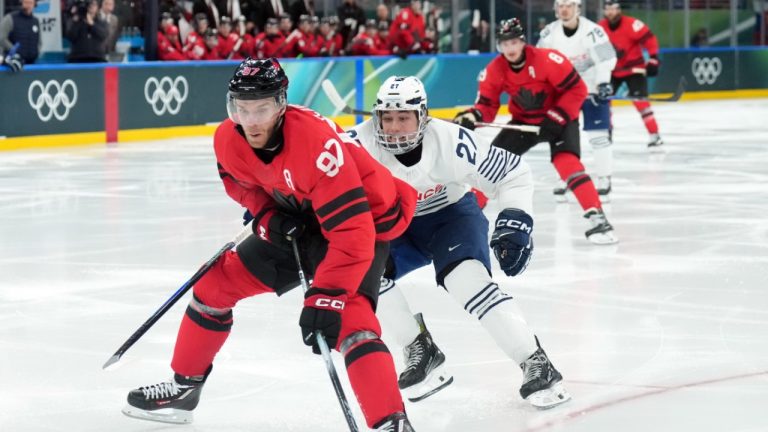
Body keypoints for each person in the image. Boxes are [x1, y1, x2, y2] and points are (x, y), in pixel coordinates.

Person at [121, 58, 418, 432]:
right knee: (215, 283)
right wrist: (266, 217)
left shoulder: (316, 146)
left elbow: (352, 234)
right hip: (300, 217)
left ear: (281, 105)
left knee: (351, 319)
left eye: (261, 109)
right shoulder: (228, 138)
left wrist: (326, 297)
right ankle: (184, 387)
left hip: (364, 221)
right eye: (242, 109)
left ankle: (391, 422)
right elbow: (241, 184)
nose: (251, 120)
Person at [347, 75, 572, 409]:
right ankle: (418, 347)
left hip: (449, 218)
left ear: (423, 116)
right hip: (393, 224)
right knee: (361, 275)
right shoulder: (355, 144)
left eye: (403, 117)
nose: (393, 128)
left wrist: (516, 220)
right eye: (387, 118)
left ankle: (534, 360)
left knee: (467, 281)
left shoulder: (451, 141)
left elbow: (513, 172)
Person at [453, 18, 618, 245]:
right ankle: (464, 221)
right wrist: (474, 116)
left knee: (567, 163)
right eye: (505, 44)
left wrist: (557, 116)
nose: (510, 48)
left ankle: (597, 218)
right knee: (490, 166)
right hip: (524, 122)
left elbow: (577, 89)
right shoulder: (494, 70)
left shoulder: (547, 59)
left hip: (558, 119)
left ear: (522, 42)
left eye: (514, 42)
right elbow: (487, 105)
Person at [537, 0, 617, 199]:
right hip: (564, 94)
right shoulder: (549, 33)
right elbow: (540, 61)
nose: (564, 9)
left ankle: (604, 178)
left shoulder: (593, 31)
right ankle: (563, 176)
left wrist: (603, 82)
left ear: (578, 8)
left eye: (569, 5)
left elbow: (607, 59)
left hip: (591, 91)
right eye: (561, 5)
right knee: (561, 137)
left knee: (598, 137)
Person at [599, 0, 664, 150]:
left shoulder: (632, 24)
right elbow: (594, 48)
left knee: (641, 103)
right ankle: (606, 134)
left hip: (634, 70)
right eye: (607, 9)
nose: (610, 12)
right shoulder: (599, 28)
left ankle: (655, 135)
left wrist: (653, 59)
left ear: (619, 9)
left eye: (613, 9)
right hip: (612, 71)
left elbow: (650, 39)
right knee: (604, 103)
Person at [0, 0, 41, 69]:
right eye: (26, 2)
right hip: (14, 65)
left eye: (31, 3)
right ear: (22, 3)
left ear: (34, 4)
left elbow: (39, 41)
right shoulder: (10, 18)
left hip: (32, 64)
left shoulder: (35, 21)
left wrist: (37, 52)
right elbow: (1, 37)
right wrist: (13, 49)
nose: (28, 5)